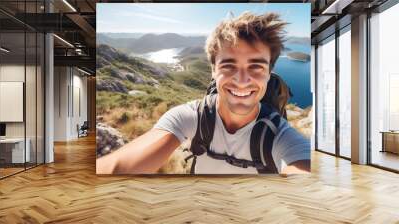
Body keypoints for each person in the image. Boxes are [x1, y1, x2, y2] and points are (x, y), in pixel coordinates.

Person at [96, 12, 310, 175]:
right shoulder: (190, 116)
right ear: (213, 70)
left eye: (256, 67)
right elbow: (118, 167)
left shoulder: (280, 135)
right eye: (228, 65)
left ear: (269, 73)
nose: (242, 80)